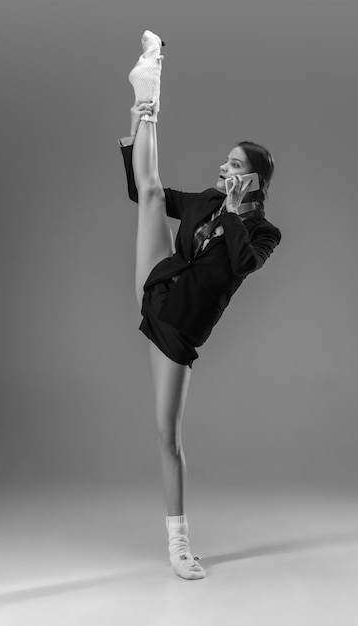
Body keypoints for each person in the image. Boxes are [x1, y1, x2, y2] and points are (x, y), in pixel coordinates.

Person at [117, 30, 282, 580]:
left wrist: (237, 212)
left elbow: (244, 265)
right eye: (225, 161)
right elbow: (143, 192)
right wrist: (138, 128)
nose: (224, 168)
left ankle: (179, 545)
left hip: (179, 325)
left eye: (235, 165)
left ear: (253, 180)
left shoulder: (262, 231)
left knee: (167, 435)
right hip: (158, 280)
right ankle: (148, 94)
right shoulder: (210, 199)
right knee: (155, 192)